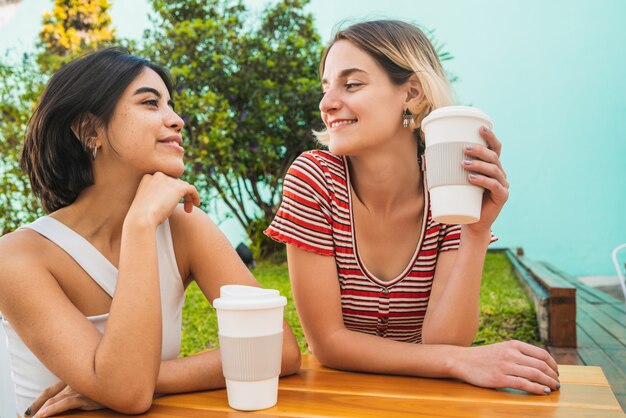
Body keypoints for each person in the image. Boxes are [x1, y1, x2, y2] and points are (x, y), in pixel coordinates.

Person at [0, 47, 300, 418]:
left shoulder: (183, 227)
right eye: (150, 103)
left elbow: (278, 349)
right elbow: (127, 392)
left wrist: (137, 377)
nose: (176, 120)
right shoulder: (16, 256)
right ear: (90, 129)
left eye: (171, 105)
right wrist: (140, 224)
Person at [265, 20, 559, 395]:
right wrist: (456, 362)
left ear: (413, 93)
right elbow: (328, 343)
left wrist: (475, 231)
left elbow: (446, 340)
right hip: (337, 398)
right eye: (326, 87)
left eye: (351, 84)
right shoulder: (315, 180)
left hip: (425, 401)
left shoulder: (450, 186)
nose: (326, 104)